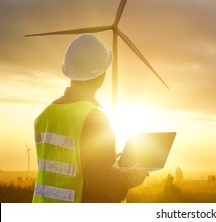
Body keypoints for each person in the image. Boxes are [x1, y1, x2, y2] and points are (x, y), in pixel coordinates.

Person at [32, 33, 147, 203]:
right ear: (101, 75)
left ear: (69, 72)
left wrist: (107, 159)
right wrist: (134, 175)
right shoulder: (94, 119)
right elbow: (101, 183)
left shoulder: (44, 115)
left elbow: (65, 164)